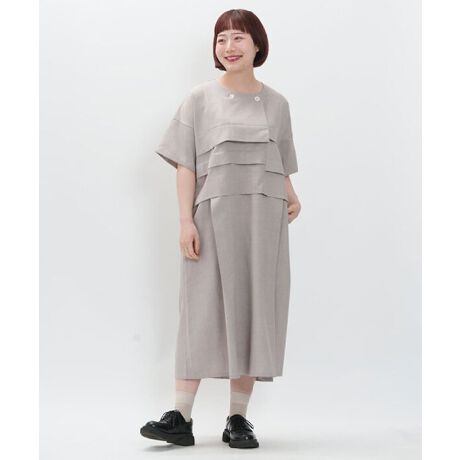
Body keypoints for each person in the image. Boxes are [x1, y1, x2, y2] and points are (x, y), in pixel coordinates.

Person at [140, 9, 301, 449]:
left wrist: (291, 194)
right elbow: (186, 164)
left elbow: (281, 161)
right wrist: (185, 220)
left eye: (238, 38)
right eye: (222, 39)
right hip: (212, 218)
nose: (229, 47)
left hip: (263, 220)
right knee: (200, 307)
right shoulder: (199, 99)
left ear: (257, 45)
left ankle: (238, 418)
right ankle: (180, 415)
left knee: (253, 307)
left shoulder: (278, 104)